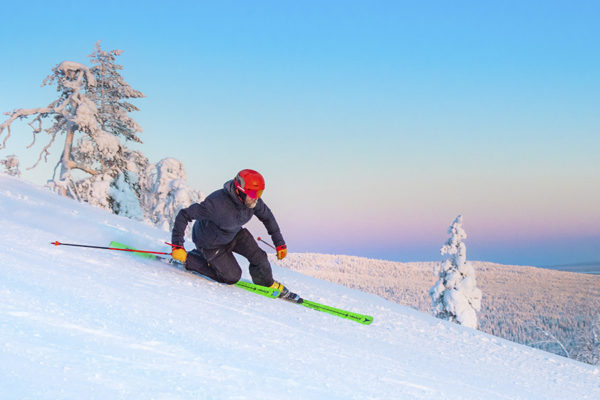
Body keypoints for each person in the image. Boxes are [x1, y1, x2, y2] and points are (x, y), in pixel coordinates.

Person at [170, 169, 296, 299]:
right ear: (240, 190)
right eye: (253, 193)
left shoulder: (252, 201)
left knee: (260, 258)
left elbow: (268, 218)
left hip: (233, 233)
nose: (256, 197)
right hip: (210, 242)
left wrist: (279, 243)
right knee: (231, 277)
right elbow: (184, 215)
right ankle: (190, 259)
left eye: (259, 192)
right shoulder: (216, 203)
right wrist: (177, 245)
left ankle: (266, 285)